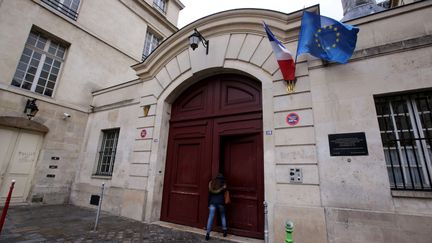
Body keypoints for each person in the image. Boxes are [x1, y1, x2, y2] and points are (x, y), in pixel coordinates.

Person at [205, 173, 228, 240]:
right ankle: (224, 231)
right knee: (223, 215)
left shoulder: (212, 183)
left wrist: (208, 204)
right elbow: (226, 193)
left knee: (210, 218)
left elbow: (209, 195)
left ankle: (207, 234)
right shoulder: (223, 184)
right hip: (221, 202)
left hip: (212, 202)